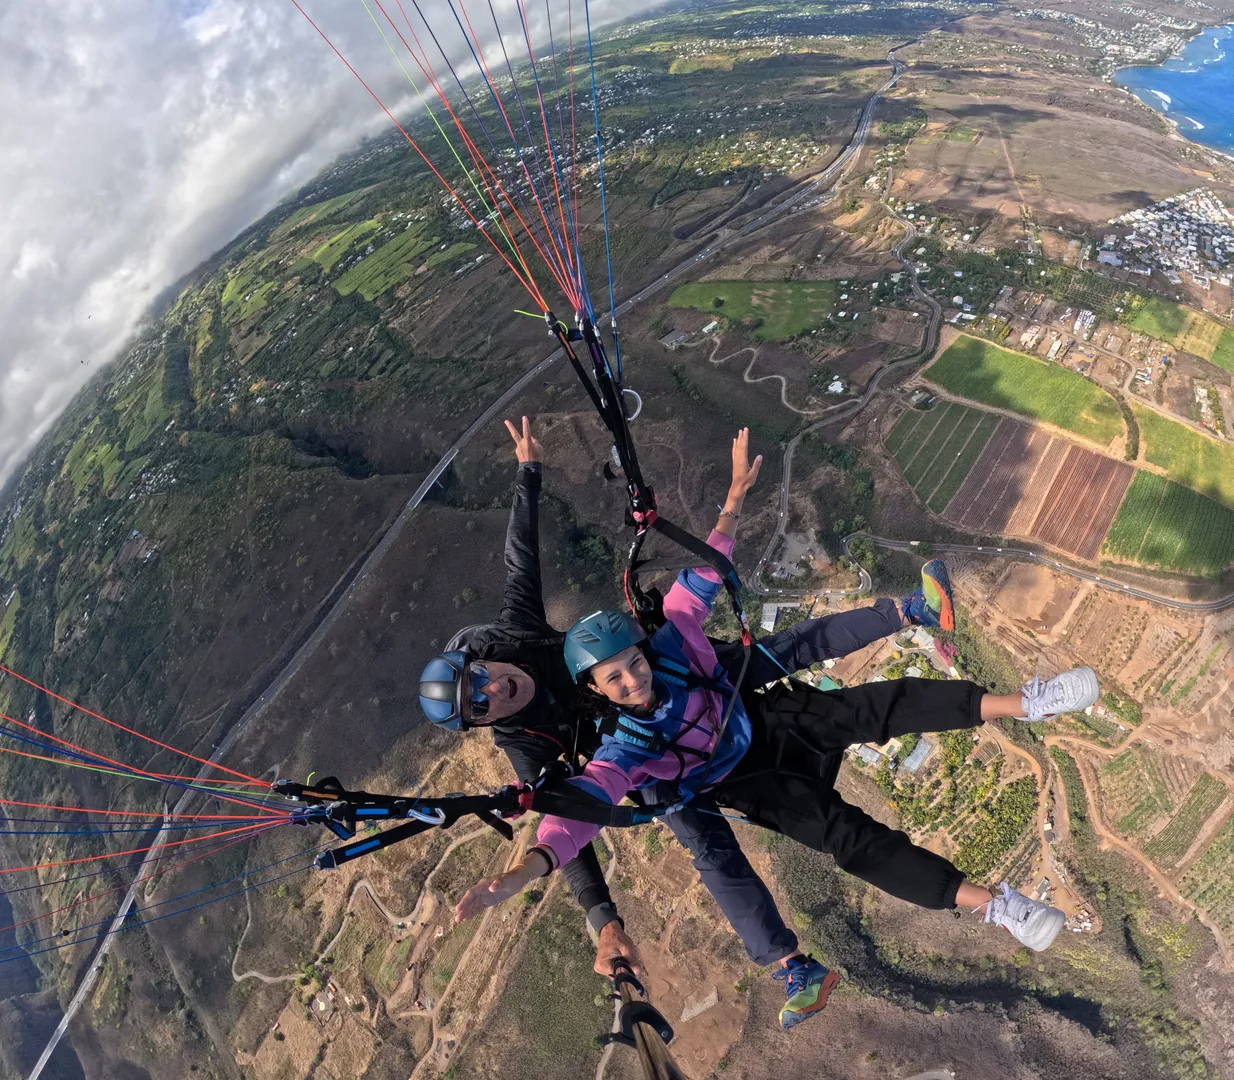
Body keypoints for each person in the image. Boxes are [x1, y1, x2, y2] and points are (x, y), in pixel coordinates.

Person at [455, 428, 1101, 1028]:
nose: (632, 680)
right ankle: (995, 906)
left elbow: (704, 575)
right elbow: (580, 811)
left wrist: (734, 498)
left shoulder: (664, 647)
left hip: (757, 718)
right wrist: (528, 871)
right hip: (736, 778)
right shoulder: (617, 749)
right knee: (837, 838)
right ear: (594, 692)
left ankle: (1031, 702)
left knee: (876, 706)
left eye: (633, 665)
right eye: (615, 679)